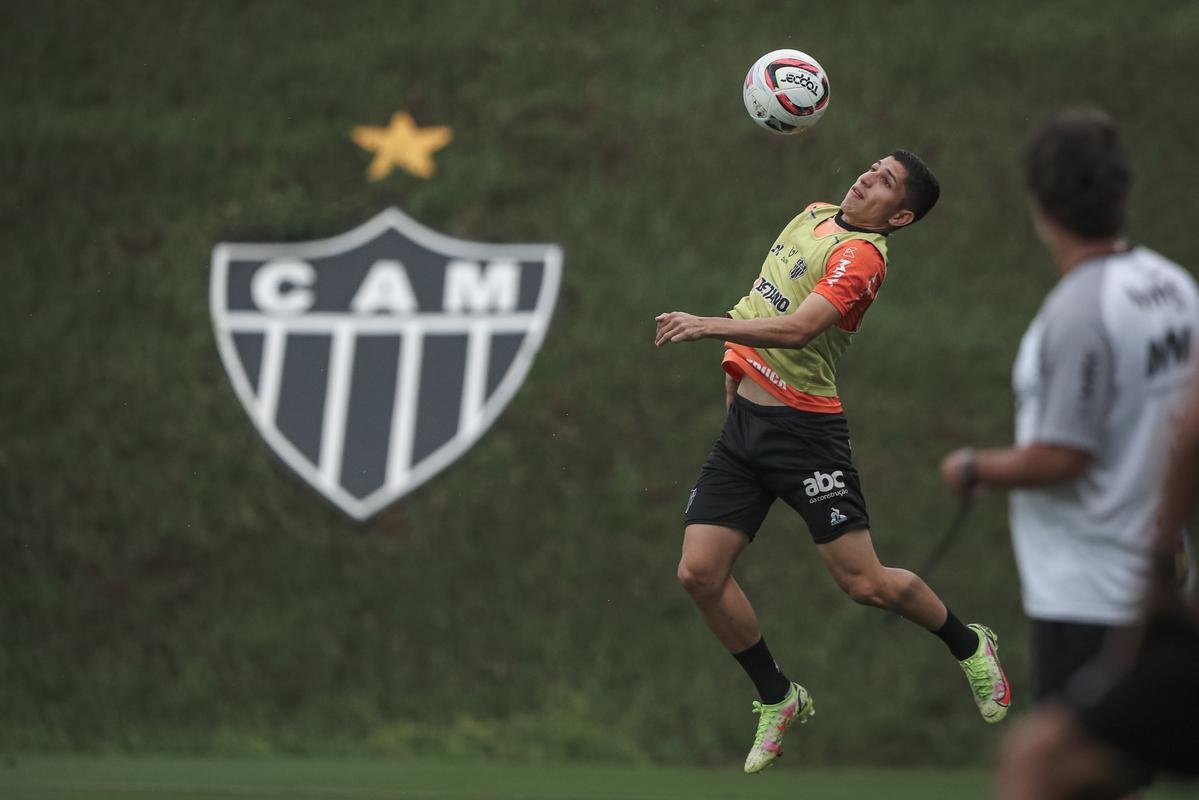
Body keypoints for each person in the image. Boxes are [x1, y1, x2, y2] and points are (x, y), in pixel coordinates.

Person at [655, 150, 1010, 775]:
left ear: (899, 218)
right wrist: (732, 366)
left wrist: (703, 326)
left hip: (805, 435)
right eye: (873, 168)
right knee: (699, 573)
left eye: (885, 182)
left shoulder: (863, 258)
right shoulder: (814, 214)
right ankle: (778, 696)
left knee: (864, 584)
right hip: (745, 431)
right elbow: (760, 301)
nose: (867, 178)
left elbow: (798, 328)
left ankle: (969, 644)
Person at [939, 108, 1199, 710]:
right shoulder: (1173, 285)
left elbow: (1064, 456)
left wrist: (973, 467)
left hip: (1090, 591)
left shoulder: (1080, 312)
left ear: (1041, 205)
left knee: (1062, 755)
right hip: (1165, 576)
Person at [994, 373, 1199, 798]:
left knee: (1045, 759)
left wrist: (1160, 559)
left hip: (1094, 588)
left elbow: (1191, 429)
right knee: (1104, 764)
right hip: (1095, 586)